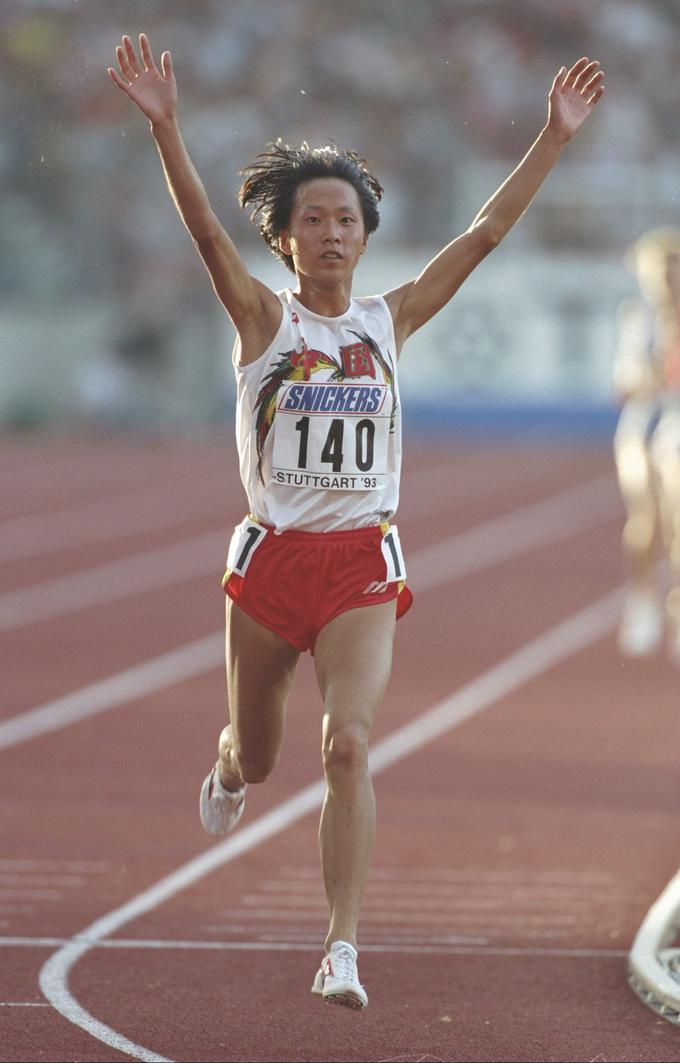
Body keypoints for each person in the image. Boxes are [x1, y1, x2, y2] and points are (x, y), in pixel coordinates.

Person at [108, 33, 604, 1009]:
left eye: (346, 218)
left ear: (366, 234)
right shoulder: (262, 322)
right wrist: (168, 131)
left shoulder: (390, 319)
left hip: (359, 569)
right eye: (313, 220)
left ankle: (340, 946)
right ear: (285, 239)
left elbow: (484, 232)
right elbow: (208, 233)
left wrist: (552, 137)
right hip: (269, 566)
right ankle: (228, 760)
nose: (332, 232)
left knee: (346, 745)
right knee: (257, 753)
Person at [613, 228, 680, 661]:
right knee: (645, 520)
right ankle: (641, 598)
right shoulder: (639, 320)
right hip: (644, 424)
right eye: (660, 274)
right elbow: (624, 385)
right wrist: (651, 375)